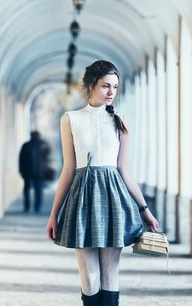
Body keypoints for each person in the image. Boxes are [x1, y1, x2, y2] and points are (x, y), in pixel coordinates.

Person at [46, 60, 160, 306]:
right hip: (82, 200)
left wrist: (145, 210)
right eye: (105, 86)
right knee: (89, 277)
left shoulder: (121, 121)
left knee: (110, 276)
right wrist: (54, 214)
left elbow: (124, 169)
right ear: (90, 85)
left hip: (114, 200)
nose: (111, 92)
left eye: (115, 87)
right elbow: (68, 169)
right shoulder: (70, 119)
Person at [18, 131, 49, 213]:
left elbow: (21, 159)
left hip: (30, 171)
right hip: (36, 172)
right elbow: (46, 160)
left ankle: (30, 207)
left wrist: (21, 170)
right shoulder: (42, 145)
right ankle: (35, 207)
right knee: (36, 190)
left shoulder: (27, 145)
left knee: (30, 190)